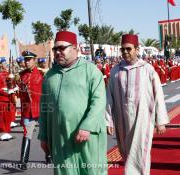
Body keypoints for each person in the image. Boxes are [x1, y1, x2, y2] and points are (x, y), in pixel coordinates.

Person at [38, 31, 108, 175]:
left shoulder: (91, 71)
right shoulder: (50, 76)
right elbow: (44, 108)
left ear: (75, 48)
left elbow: (99, 102)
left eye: (62, 48)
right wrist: (44, 135)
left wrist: (87, 126)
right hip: (59, 138)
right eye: (55, 49)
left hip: (87, 137)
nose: (58, 52)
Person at [105, 34, 169, 175]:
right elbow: (109, 97)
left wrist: (160, 121)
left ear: (137, 49)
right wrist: (108, 120)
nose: (125, 52)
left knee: (140, 152)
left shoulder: (147, 70)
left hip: (143, 118)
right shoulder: (116, 71)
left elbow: (158, 95)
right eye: (123, 50)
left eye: (128, 49)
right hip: (121, 120)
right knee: (126, 152)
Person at [17, 51, 44, 170]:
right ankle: (23, 162)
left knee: (46, 136)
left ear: (34, 60)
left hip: (43, 109)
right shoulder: (22, 75)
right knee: (27, 135)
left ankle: (48, 154)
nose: (27, 62)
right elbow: (22, 97)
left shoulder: (43, 73)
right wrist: (23, 114)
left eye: (29, 60)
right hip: (28, 111)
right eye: (25, 60)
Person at [0, 57, 14, 141]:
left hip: (9, 98)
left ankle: (7, 132)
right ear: (0, 64)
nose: (5, 64)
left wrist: (12, 81)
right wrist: (6, 92)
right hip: (2, 98)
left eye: (5, 63)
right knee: (3, 117)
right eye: (3, 63)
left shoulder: (8, 73)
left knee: (8, 116)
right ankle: (3, 133)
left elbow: (11, 84)